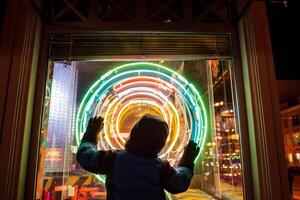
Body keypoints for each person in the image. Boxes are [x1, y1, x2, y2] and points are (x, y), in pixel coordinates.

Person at [76, 115, 200, 200]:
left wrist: (91, 133)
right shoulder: (159, 168)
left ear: (132, 136)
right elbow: (179, 183)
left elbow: (85, 156)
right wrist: (187, 160)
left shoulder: (113, 159)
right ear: (160, 145)